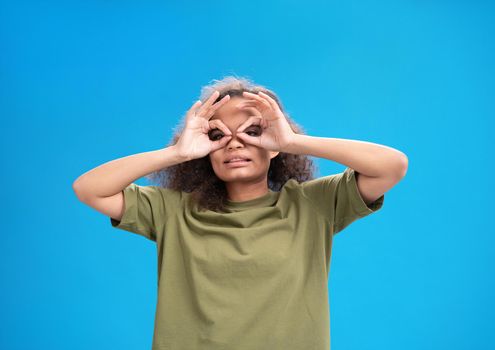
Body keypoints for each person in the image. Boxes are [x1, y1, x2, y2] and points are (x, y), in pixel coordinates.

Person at [73, 76, 408, 350]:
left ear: (273, 145)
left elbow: (392, 166)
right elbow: (89, 188)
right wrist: (176, 153)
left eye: (252, 132)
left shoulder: (311, 205)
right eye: (217, 135)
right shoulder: (173, 211)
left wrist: (292, 141)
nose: (233, 144)